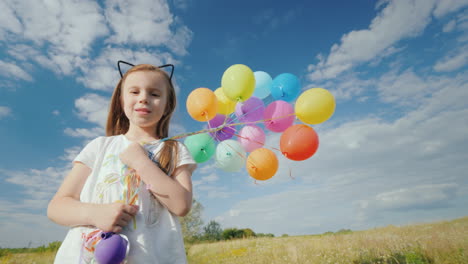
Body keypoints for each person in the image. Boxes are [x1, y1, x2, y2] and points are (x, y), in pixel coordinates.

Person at [47, 62, 197, 263]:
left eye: (154, 94)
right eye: (134, 92)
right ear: (121, 100)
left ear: (167, 104)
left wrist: (141, 162)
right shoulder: (99, 147)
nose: (143, 98)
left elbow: (181, 205)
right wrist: (95, 214)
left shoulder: (174, 150)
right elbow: (57, 207)